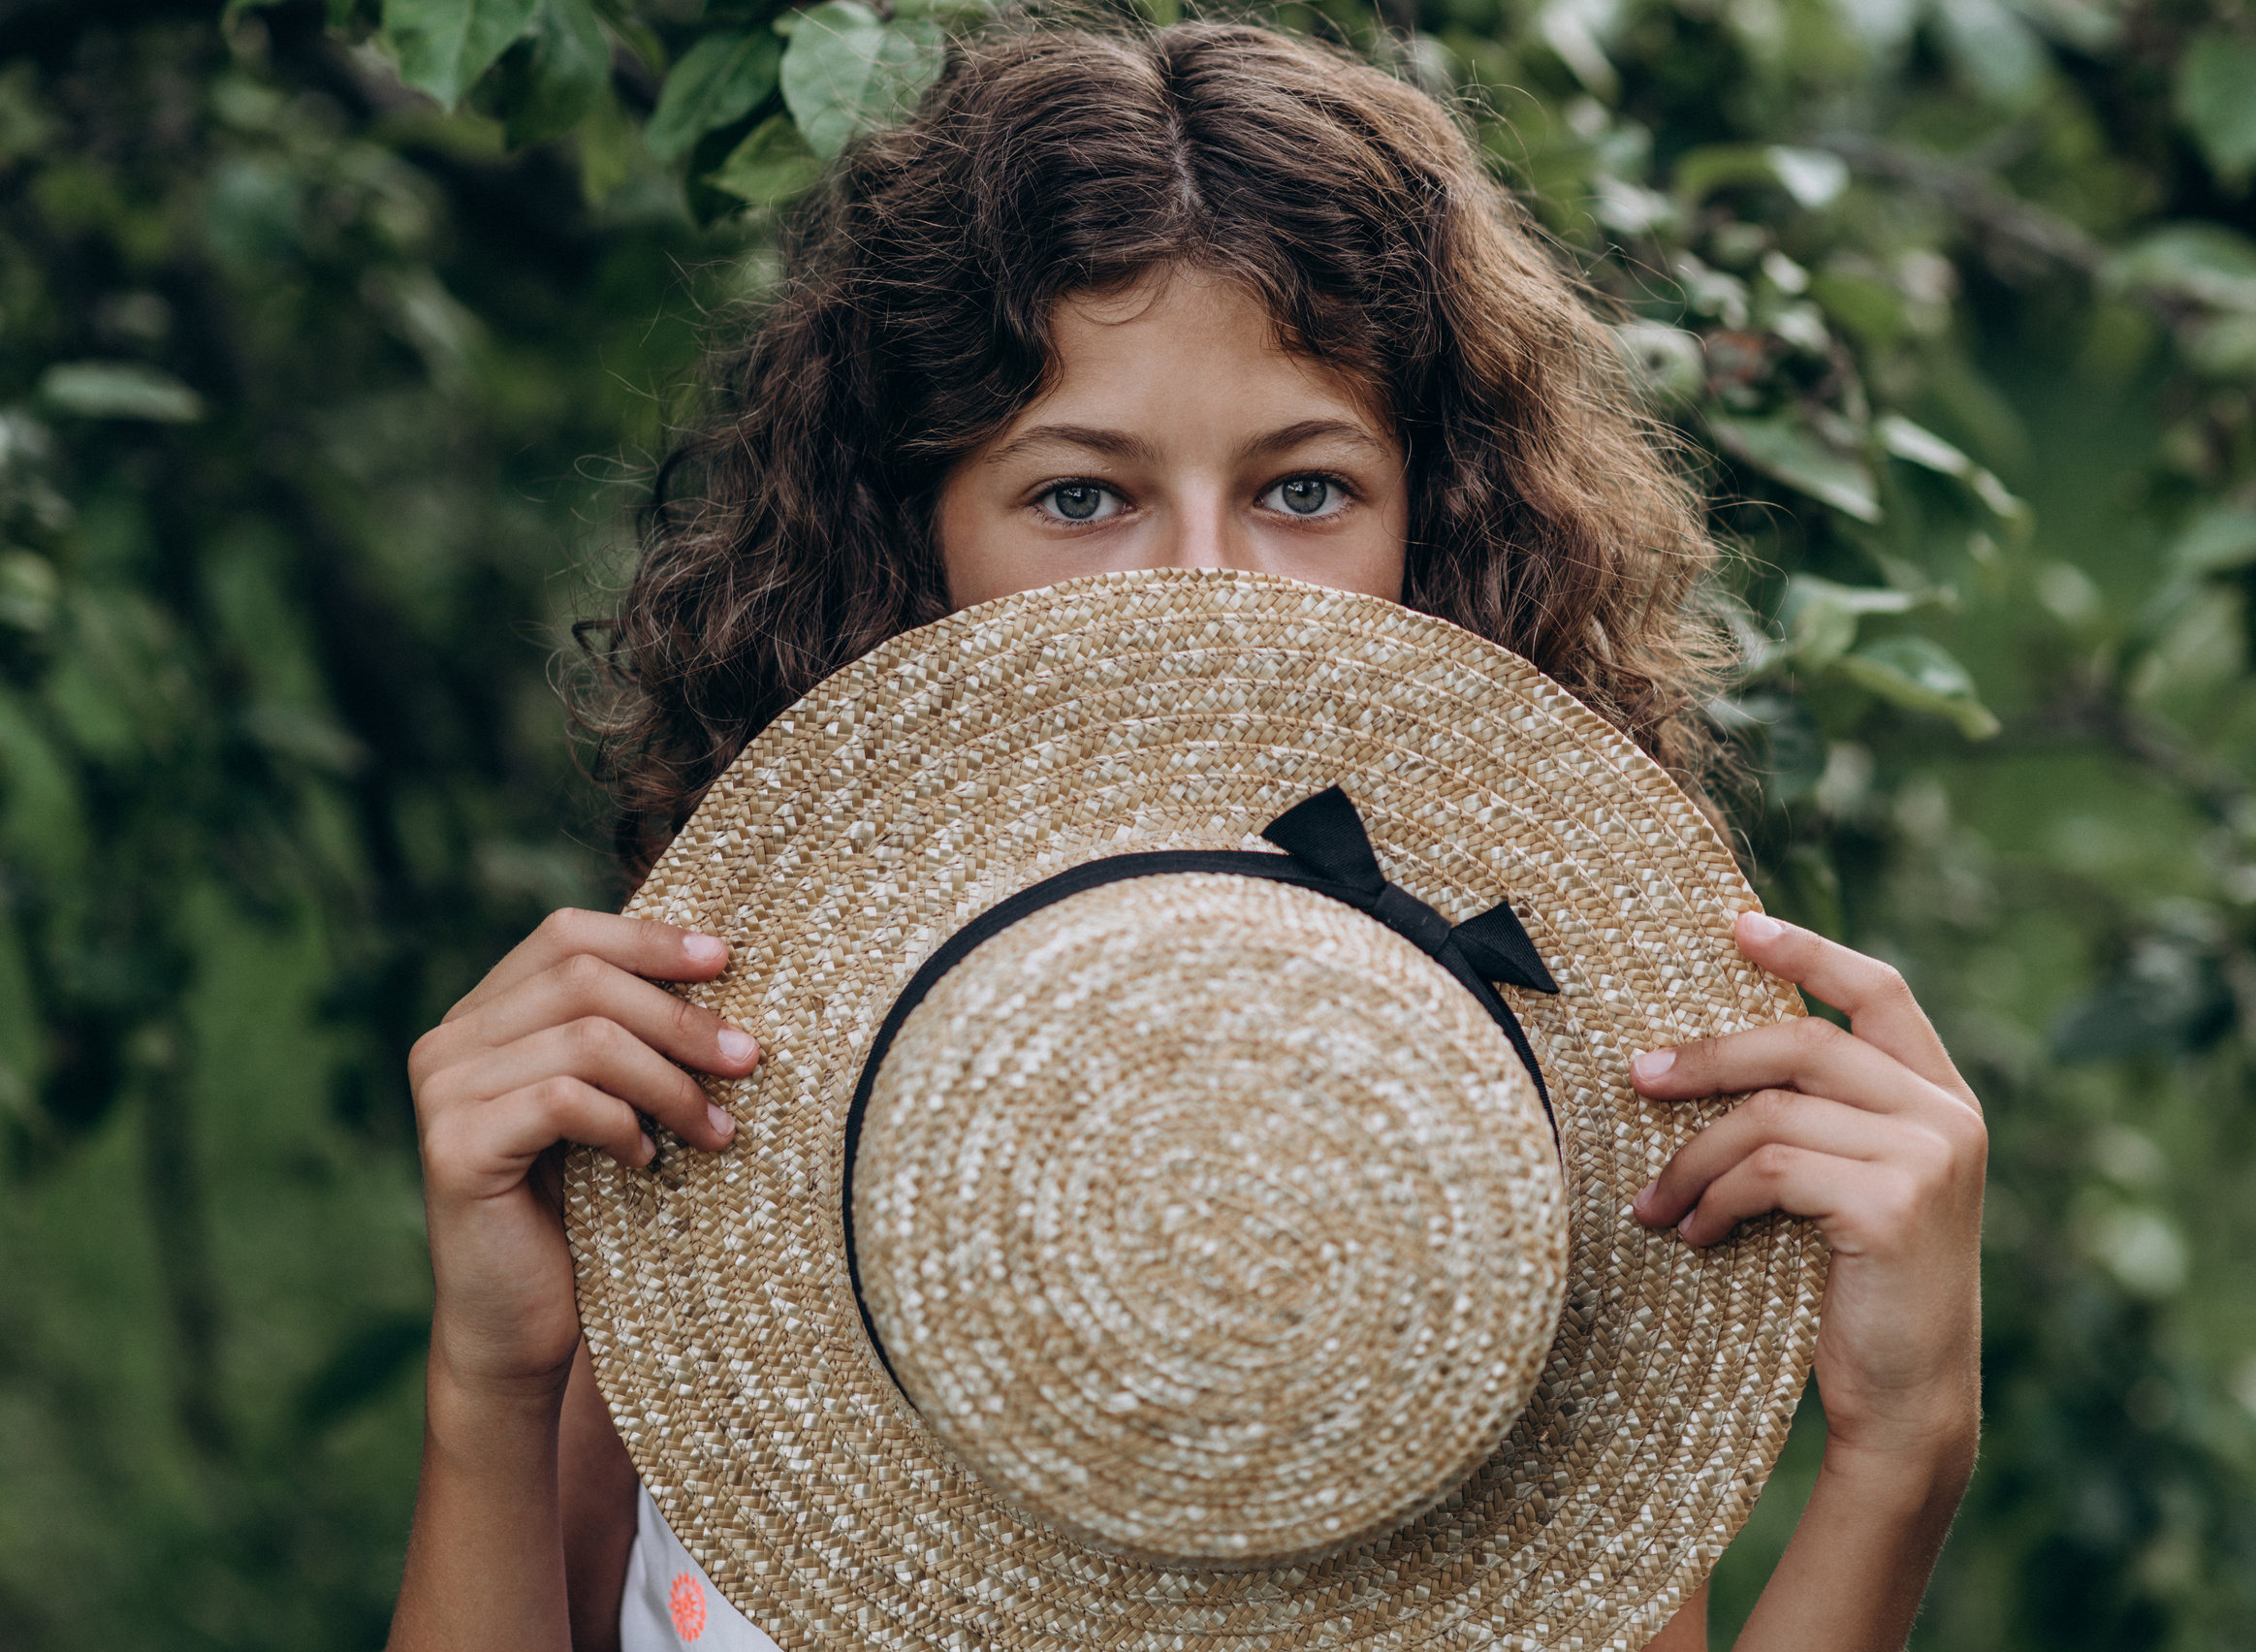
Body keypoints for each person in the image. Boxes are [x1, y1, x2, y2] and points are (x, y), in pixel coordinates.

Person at [387, 18, 1986, 1652]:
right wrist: (492, 1379)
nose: (1201, 588)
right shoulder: (735, 1105)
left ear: (1431, 537)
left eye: (1303, 490)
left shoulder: (1502, 1157)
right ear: (910, 536)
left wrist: (1900, 1455)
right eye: (1082, 497)